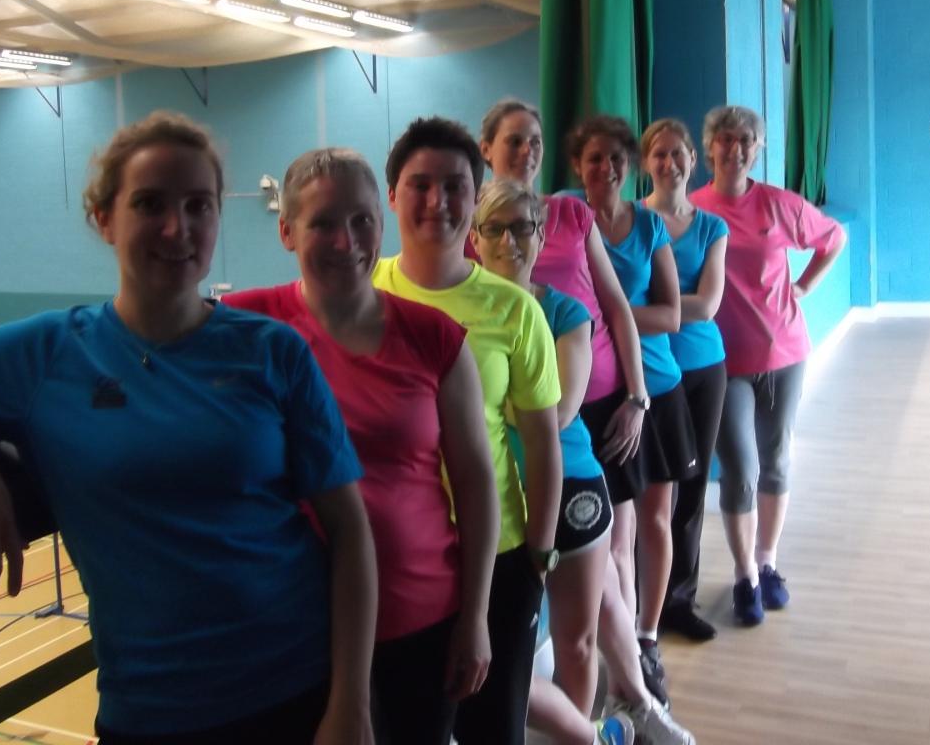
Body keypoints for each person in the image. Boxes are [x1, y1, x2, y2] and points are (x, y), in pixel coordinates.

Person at [0, 111, 379, 744]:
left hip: (300, 692)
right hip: (150, 709)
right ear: (103, 218)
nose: (177, 227)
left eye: (198, 205)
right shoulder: (49, 354)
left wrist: (351, 704)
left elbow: (349, 532)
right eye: (150, 204)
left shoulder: (272, 350)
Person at [223, 147, 499, 745]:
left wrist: (475, 616)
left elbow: (476, 485)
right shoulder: (244, 326)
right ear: (286, 231)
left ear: (381, 222)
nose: (346, 242)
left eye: (362, 221)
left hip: (421, 620)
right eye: (323, 222)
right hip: (292, 629)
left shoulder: (434, 337)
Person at [473, 179, 697, 745]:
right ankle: (618, 718)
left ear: (540, 235)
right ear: (474, 238)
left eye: (522, 227)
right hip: (490, 495)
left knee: (578, 639)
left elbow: (559, 411)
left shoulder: (565, 311)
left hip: (569, 482)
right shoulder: (459, 309)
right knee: (491, 655)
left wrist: (486, 402)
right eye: (495, 229)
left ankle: (604, 723)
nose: (509, 241)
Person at [373, 116, 561, 745]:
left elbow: (542, 444)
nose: (438, 201)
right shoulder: (363, 293)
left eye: (455, 186)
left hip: (500, 554)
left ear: (474, 198)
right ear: (392, 195)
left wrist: (538, 558)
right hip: (397, 559)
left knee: (494, 730)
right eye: (420, 185)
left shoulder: (514, 310)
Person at [690, 105, 846, 626]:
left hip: (783, 354)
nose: (735, 149)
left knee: (775, 459)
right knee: (740, 467)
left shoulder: (779, 204)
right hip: (722, 360)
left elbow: (833, 238)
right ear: (710, 146)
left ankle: (768, 563)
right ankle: (744, 576)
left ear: (757, 150)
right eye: (726, 139)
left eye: (746, 141)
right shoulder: (694, 210)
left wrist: (803, 286)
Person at [568, 115, 695, 703]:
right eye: (595, 158)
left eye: (617, 158)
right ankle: (621, 661)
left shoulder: (648, 226)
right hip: (599, 396)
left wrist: (606, 313)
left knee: (656, 522)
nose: (607, 168)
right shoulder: (566, 219)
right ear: (577, 166)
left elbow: (671, 314)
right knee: (616, 535)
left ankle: (647, 637)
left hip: (656, 389)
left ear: (631, 166)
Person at [478, 100, 649, 498]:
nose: (527, 151)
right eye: (514, 141)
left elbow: (616, 306)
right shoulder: (477, 227)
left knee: (614, 526)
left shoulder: (571, 212)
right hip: (521, 409)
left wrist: (637, 397)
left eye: (536, 141)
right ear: (486, 148)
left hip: (601, 395)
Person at [641, 119, 729, 642]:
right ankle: (643, 604)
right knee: (650, 492)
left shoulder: (712, 227)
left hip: (701, 370)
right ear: (645, 163)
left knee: (691, 488)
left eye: (678, 154)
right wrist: (672, 309)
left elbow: (708, 305)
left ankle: (679, 599)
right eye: (659, 154)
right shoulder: (632, 222)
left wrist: (647, 310)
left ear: (693, 161)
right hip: (647, 370)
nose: (669, 163)